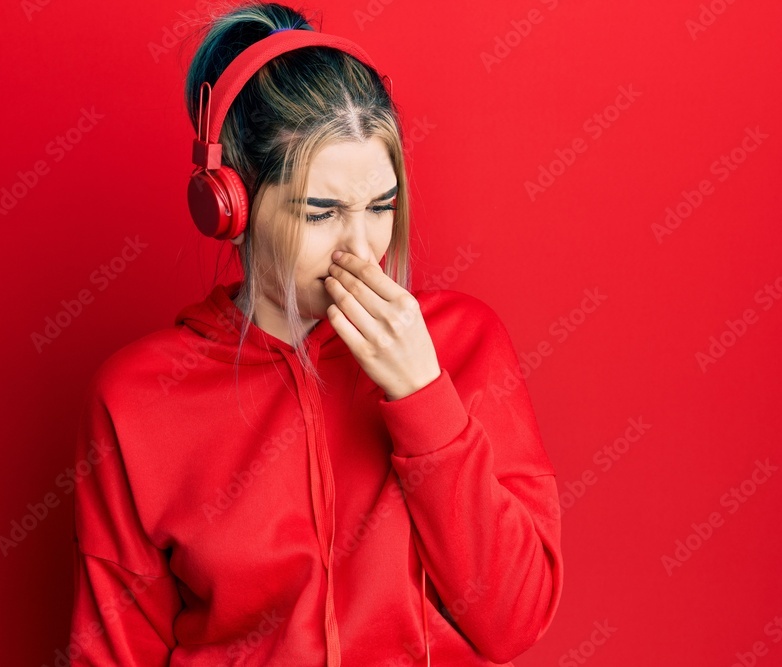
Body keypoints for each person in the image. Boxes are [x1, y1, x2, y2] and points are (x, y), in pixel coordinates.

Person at [67, 3, 563, 665]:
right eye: (321, 212)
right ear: (229, 207)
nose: (362, 247)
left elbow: (514, 619)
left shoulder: (463, 342)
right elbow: (114, 651)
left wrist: (424, 396)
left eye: (382, 206)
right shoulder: (134, 398)